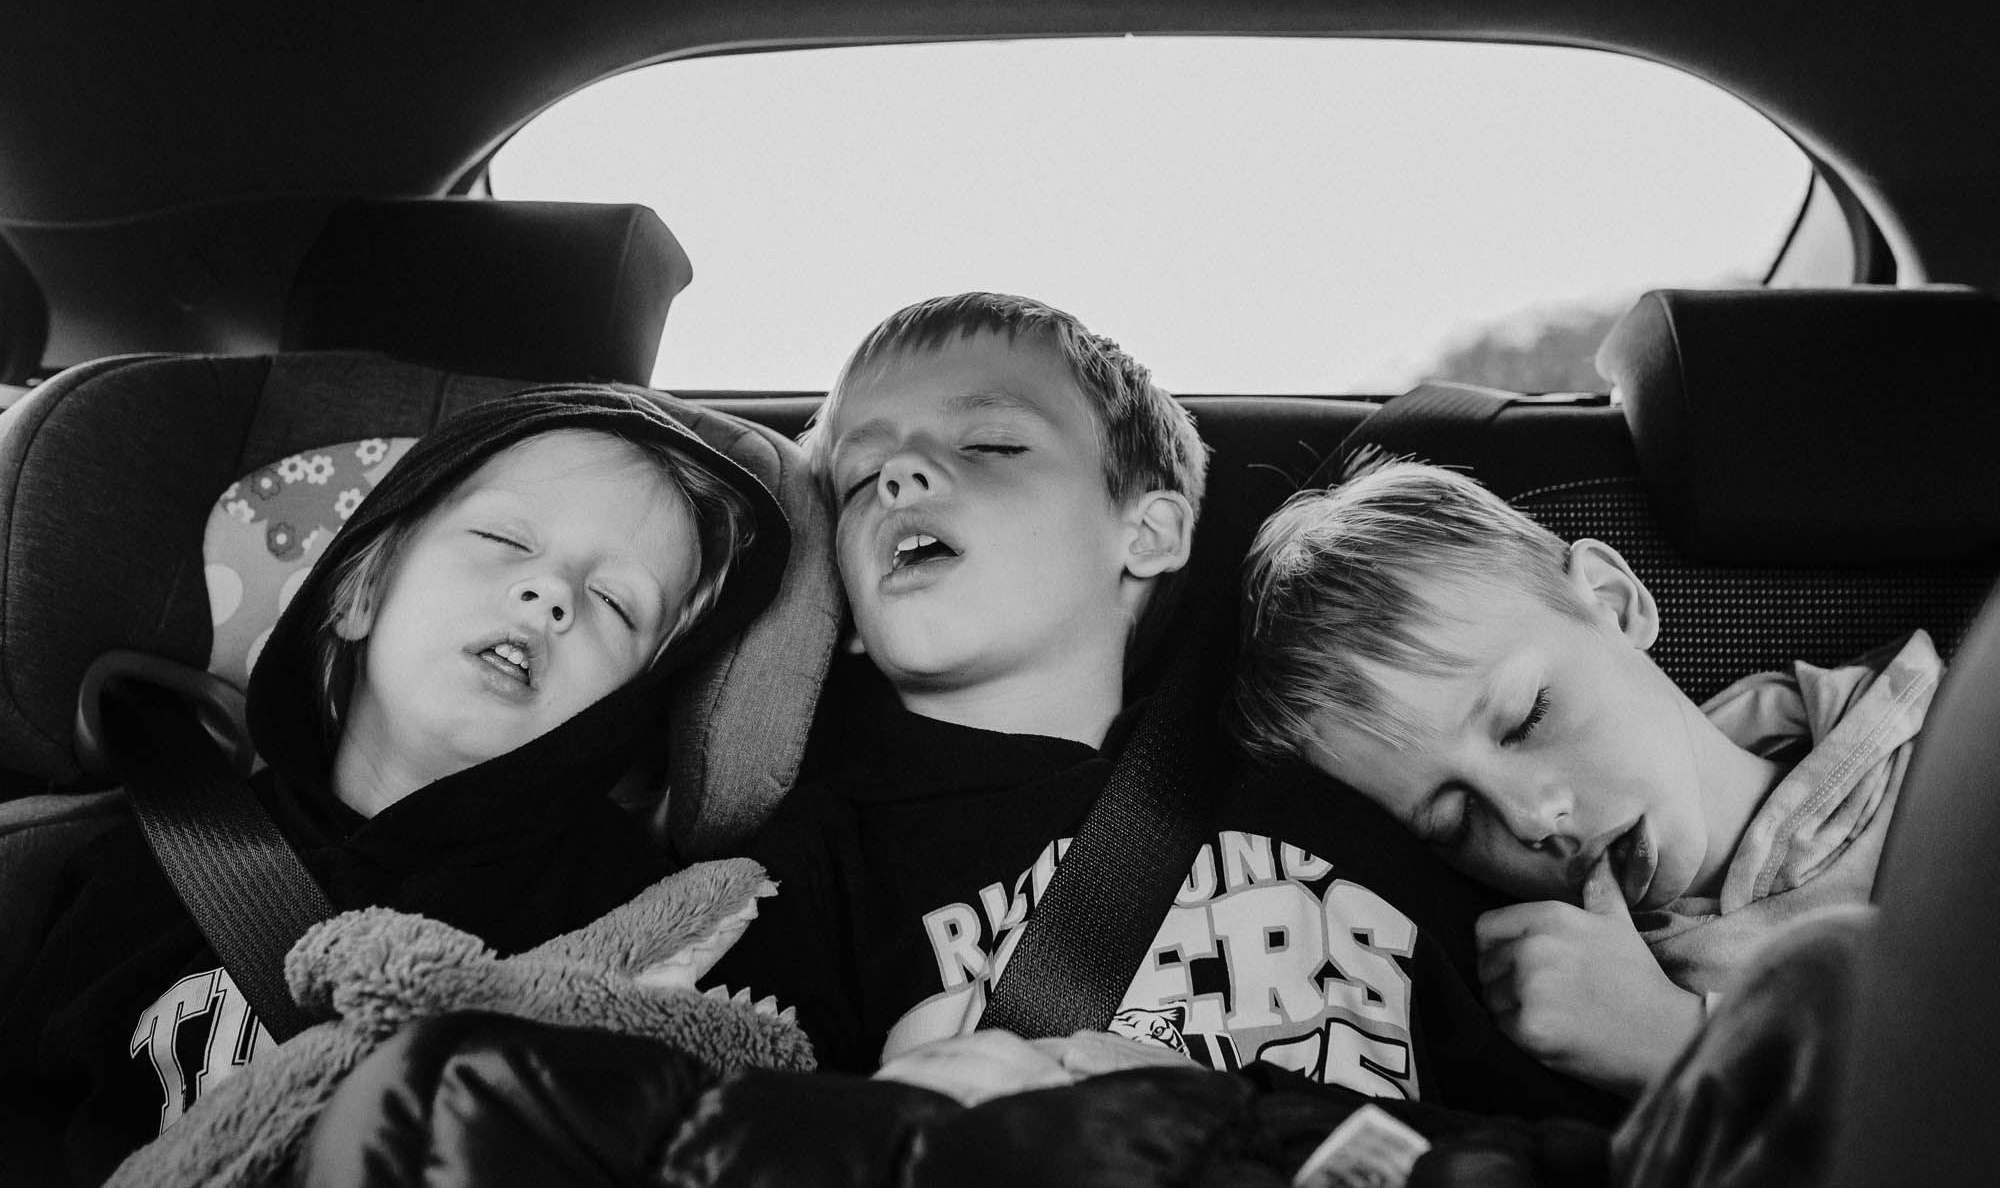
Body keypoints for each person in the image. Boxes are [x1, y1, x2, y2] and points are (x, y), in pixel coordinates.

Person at [715, 293, 1605, 1118]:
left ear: (1146, 533)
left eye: (988, 443)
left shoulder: (1329, 789)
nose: (901, 473)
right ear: (852, 612)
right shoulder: (818, 861)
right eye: (862, 474)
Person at [0, 384, 790, 1185]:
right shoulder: (144, 871)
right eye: (503, 537)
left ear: (626, 711)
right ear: (364, 591)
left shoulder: (644, 920)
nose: (550, 594)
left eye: (616, 603)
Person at [1227, 455, 1940, 1095]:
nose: (1530, 817)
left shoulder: (1952, 754)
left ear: (1612, 600)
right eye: (1454, 823)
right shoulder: (1557, 1004)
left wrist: (1677, 1042)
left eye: (1526, 717)